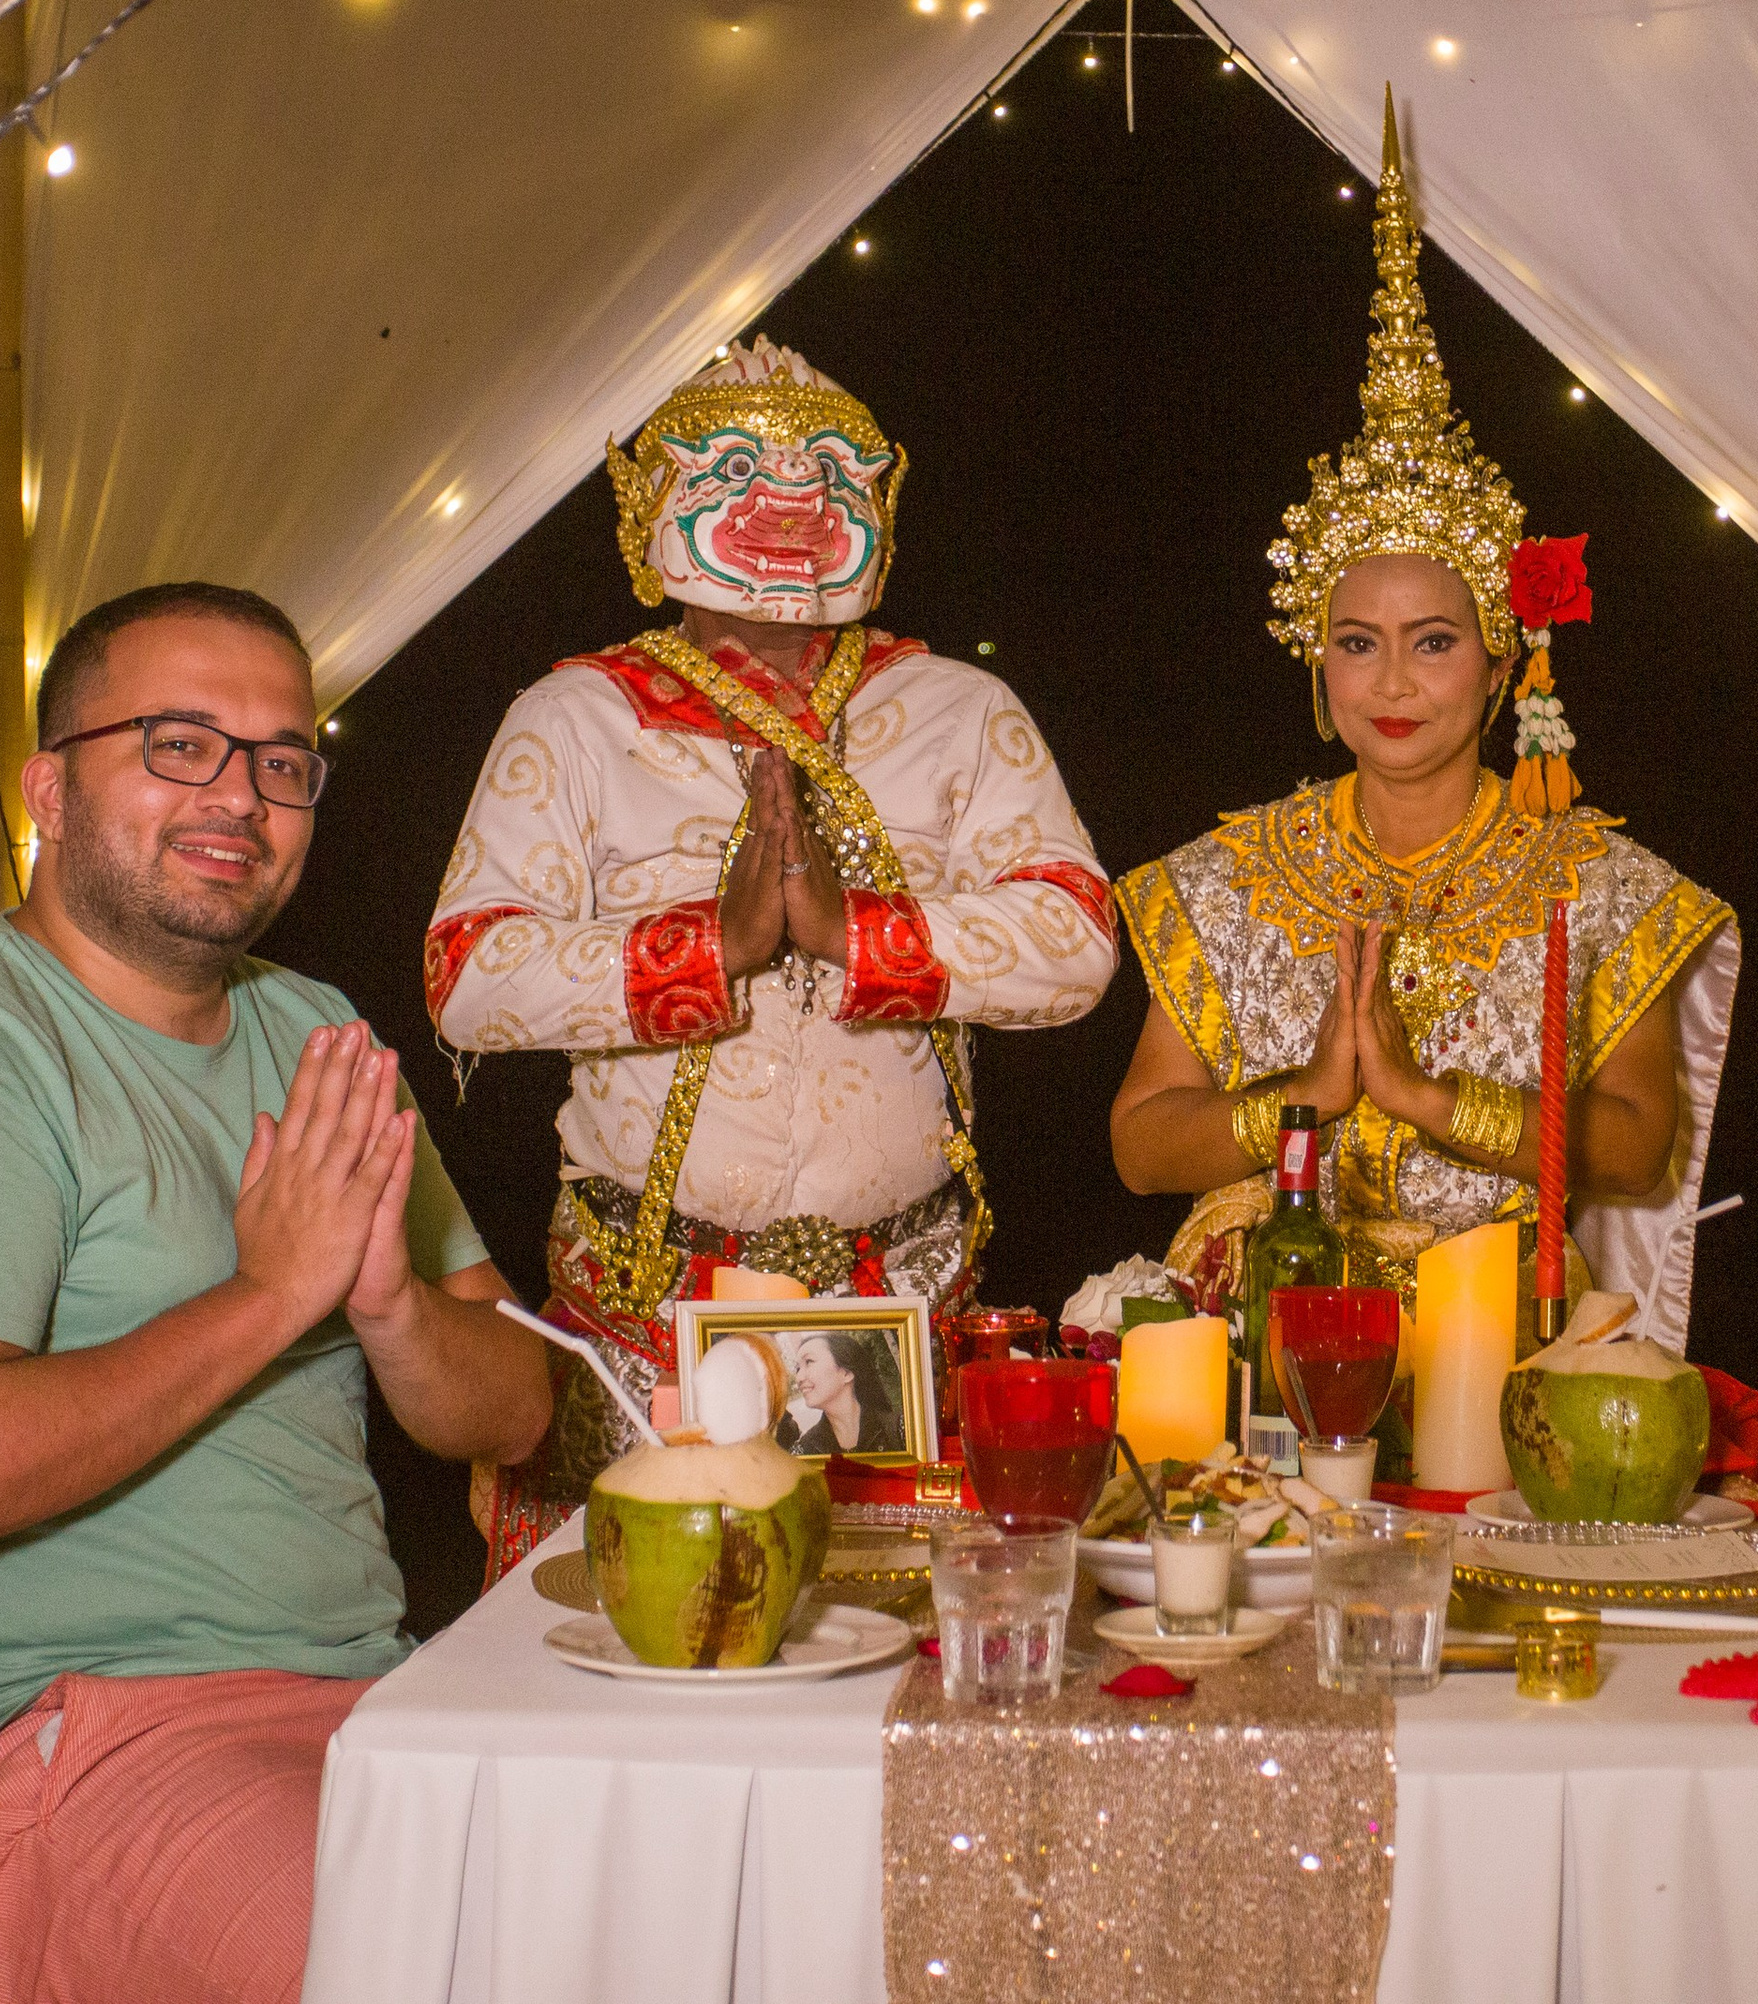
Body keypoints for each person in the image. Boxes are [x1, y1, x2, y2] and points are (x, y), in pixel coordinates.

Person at [431, 337, 1115, 1572]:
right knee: (648, 1636)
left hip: (904, 1298)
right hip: (645, 1308)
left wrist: (857, 934)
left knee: (892, 1640)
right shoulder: (578, 718)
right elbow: (468, 974)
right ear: (650, 510)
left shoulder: (958, 709)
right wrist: (714, 946)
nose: (792, 502)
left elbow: (1077, 941)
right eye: (740, 471)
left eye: (830, 474)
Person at [1109, 95, 1739, 1357]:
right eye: (1357, 642)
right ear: (1317, 661)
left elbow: (1635, 1144)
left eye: (1433, 641)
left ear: (1502, 662)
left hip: (1491, 1330)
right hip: (1254, 1328)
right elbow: (1139, 1144)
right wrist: (1304, 1100)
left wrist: (1422, 1097)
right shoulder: (1225, 875)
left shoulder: (1598, 883)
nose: (1392, 682)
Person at [0, 583, 550, 2004]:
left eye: (283, 761)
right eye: (180, 745)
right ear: (49, 790)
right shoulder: (16, 1038)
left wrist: (388, 1305)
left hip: (385, 1695)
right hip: (95, 1727)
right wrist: (269, 1292)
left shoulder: (314, 1028)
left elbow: (514, 1402)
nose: (241, 796)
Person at [782, 1329, 900, 1456]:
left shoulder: (901, 1431)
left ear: (846, 1373)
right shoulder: (803, 1452)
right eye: (798, 1368)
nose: (799, 1378)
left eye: (809, 1361)